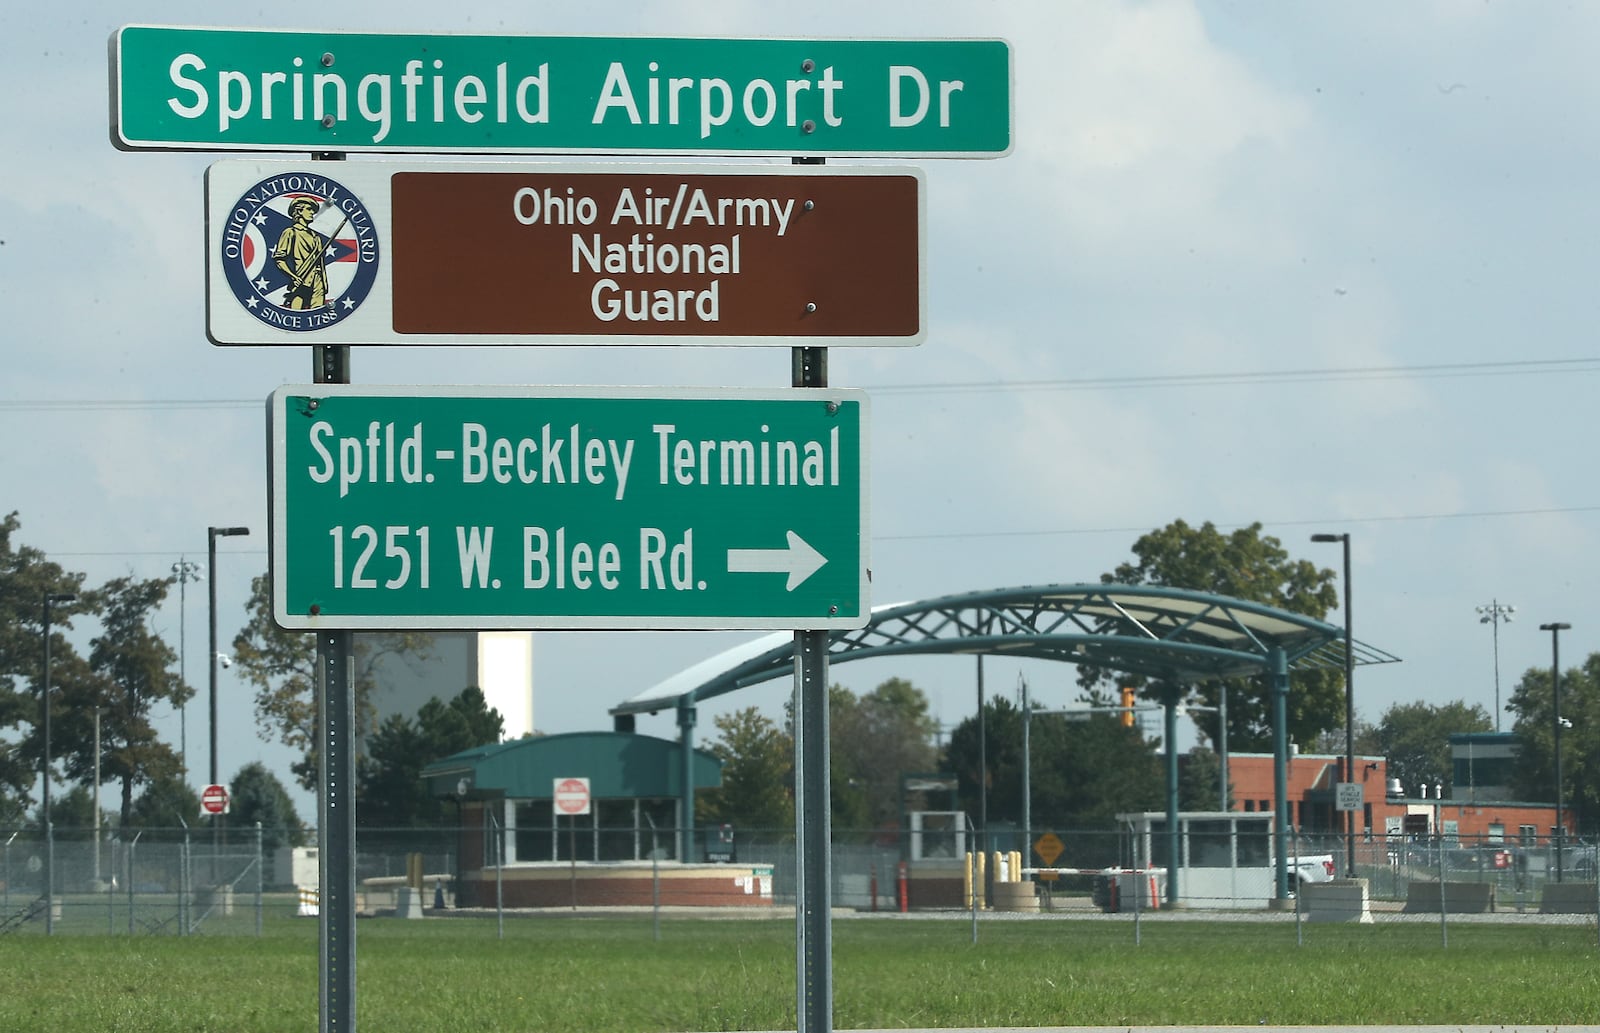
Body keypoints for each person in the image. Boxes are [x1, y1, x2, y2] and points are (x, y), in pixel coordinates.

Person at [273, 197, 328, 309]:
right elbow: (279, 259)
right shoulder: (290, 232)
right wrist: (293, 277)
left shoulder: (315, 237)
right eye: (308, 209)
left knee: (317, 315)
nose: (312, 212)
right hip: (302, 279)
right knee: (296, 313)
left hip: (318, 281)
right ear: (299, 211)